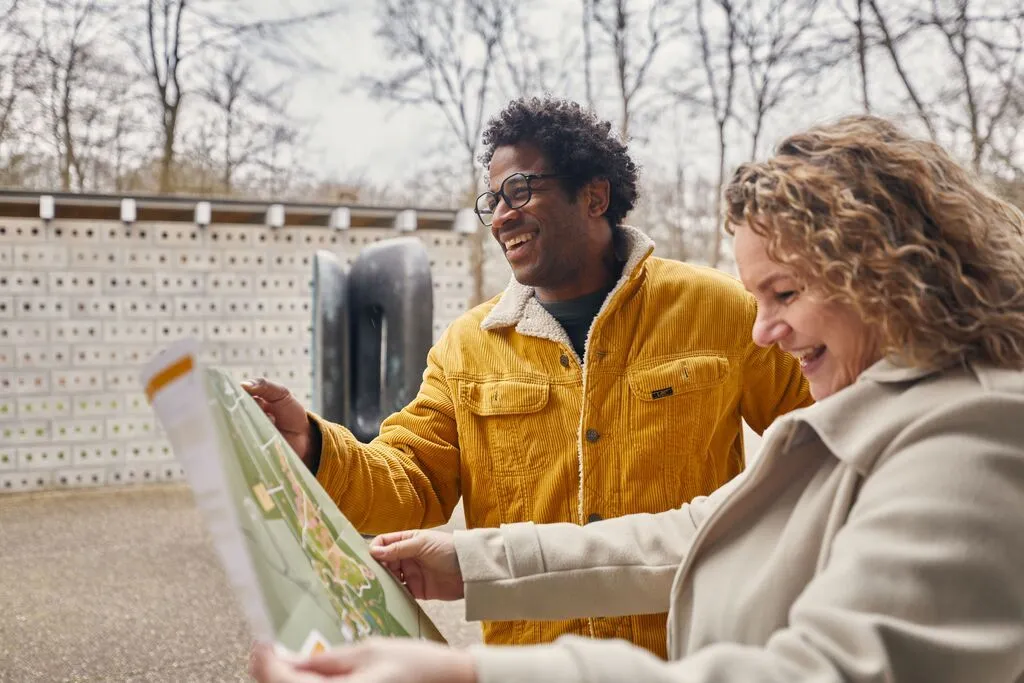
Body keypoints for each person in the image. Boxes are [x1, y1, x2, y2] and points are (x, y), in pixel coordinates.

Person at [249, 114, 1024, 683]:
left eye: (783, 291)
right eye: (493, 200)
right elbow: (701, 530)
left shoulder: (962, 429)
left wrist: (465, 678)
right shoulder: (464, 345)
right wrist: (326, 455)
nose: (763, 332)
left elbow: (798, 544)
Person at [245, 96, 811, 656]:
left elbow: (822, 436)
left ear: (594, 195)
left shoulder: (722, 310)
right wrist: (317, 447)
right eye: (492, 199)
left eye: (520, 190)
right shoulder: (468, 346)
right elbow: (412, 481)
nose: (501, 215)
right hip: (528, 665)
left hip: (689, 659)